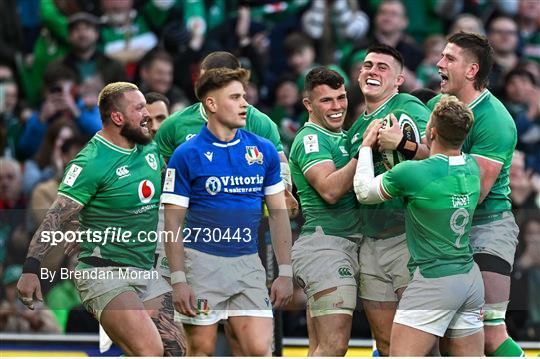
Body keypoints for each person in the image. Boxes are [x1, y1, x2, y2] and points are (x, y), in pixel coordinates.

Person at [16, 82, 186, 356]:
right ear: (117, 118)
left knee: (175, 350)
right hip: (103, 271)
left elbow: (173, 192)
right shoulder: (90, 162)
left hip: (145, 270)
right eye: (140, 108)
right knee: (149, 350)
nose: (148, 116)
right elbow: (55, 218)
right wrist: (31, 268)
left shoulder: (149, 149)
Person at [162, 67, 293, 356]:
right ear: (211, 104)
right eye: (235, 97)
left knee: (259, 350)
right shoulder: (186, 155)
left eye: (244, 96)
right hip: (201, 265)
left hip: (248, 264)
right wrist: (179, 279)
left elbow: (279, 214)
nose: (245, 104)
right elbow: (172, 222)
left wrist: (285, 271)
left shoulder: (264, 150)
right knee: (201, 351)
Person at [354, 95, 484, 356]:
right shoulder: (472, 166)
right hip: (470, 279)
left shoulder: (414, 174)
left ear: (431, 131)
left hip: (433, 281)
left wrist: (366, 147)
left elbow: (364, 192)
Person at [428, 31, 522, 356]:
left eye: (449, 58)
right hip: (442, 227)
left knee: (491, 331)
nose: (439, 63)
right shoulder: (435, 107)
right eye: (441, 56)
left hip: (486, 226)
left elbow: (475, 193)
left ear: (472, 70)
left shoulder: (496, 120)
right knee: (436, 333)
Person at [346, 44, 431, 356]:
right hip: (370, 243)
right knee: (384, 342)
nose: (372, 71)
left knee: (420, 342)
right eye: (368, 65)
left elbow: (439, 158)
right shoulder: (355, 129)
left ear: (398, 80)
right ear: (359, 75)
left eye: (383, 67)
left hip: (407, 239)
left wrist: (405, 143)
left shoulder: (408, 106)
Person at [288, 66, 360, 356]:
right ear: (308, 104)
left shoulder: (343, 136)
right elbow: (330, 191)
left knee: (319, 347)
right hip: (326, 246)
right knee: (334, 345)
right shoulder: (311, 139)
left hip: (348, 243)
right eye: (326, 100)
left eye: (341, 98)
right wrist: (364, 152)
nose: (337, 106)